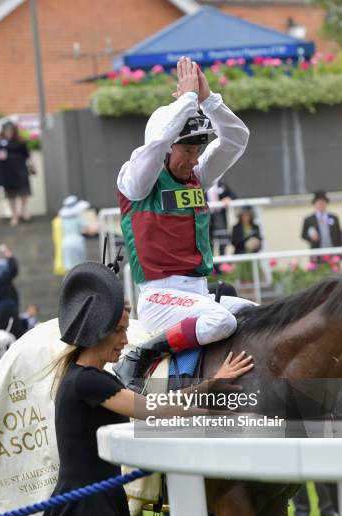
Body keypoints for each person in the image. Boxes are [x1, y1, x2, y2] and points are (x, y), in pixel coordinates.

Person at [8, 261, 253, 516]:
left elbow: (152, 402)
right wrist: (221, 417)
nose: (125, 340)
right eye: (120, 331)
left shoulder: (93, 378)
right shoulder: (88, 381)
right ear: (98, 332)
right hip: (87, 508)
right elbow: (151, 409)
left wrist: (210, 384)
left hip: (101, 502)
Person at [115, 56, 253, 391]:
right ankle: (141, 355)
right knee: (221, 321)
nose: (193, 161)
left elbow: (236, 138)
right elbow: (158, 142)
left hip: (199, 293)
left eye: (197, 152)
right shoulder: (137, 181)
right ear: (166, 151)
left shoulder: (196, 177)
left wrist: (209, 100)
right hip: (159, 298)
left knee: (257, 315)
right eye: (187, 152)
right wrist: (188, 99)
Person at [0, 121, 33, 226]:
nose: (9, 132)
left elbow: (27, 155)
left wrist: (31, 166)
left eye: (10, 130)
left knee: (24, 192)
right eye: (6, 130)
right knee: (11, 195)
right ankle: (15, 215)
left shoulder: (20, 142)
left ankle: (23, 211)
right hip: (7, 173)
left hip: (21, 171)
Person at [54, 195, 94, 273]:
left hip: (65, 243)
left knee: (68, 269)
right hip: (77, 242)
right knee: (80, 268)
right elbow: (89, 230)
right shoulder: (78, 217)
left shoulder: (62, 219)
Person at [0, 244, 23, 339]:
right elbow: (14, 269)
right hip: (9, 311)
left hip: (0, 313)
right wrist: (8, 254)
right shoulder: (2, 280)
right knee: (16, 336)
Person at [301, 191, 342, 260]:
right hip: (317, 253)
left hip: (333, 252)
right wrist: (311, 238)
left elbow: (339, 235)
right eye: (319, 203)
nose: (321, 205)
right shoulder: (309, 219)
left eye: (323, 203)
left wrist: (340, 253)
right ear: (315, 204)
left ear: (326, 204)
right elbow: (303, 235)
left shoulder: (333, 218)